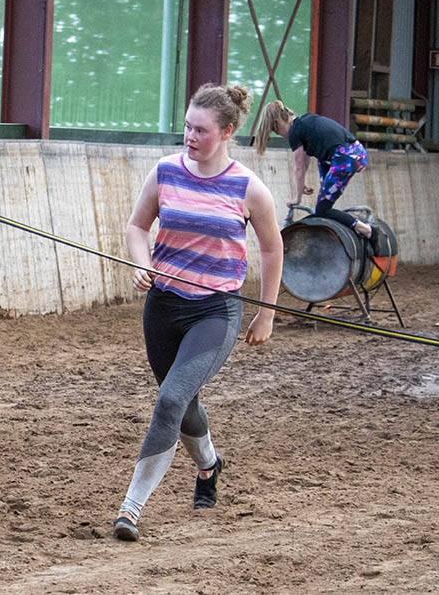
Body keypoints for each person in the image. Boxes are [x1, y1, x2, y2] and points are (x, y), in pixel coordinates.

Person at [113, 84, 284, 542]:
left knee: (169, 400)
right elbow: (136, 225)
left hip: (215, 312)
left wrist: (265, 312)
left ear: (226, 132)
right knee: (182, 403)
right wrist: (140, 261)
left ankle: (130, 508)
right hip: (163, 307)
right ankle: (209, 465)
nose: (190, 136)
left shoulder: (249, 188)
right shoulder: (166, 172)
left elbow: (271, 248)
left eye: (201, 130)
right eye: (187, 126)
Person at [254, 101, 375, 242]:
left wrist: (296, 198)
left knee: (322, 209)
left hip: (345, 157)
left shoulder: (294, 132)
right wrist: (301, 184)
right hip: (352, 151)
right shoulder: (303, 122)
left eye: (276, 131)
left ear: (277, 124)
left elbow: (298, 167)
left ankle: (364, 229)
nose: (280, 135)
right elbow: (305, 160)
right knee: (323, 191)